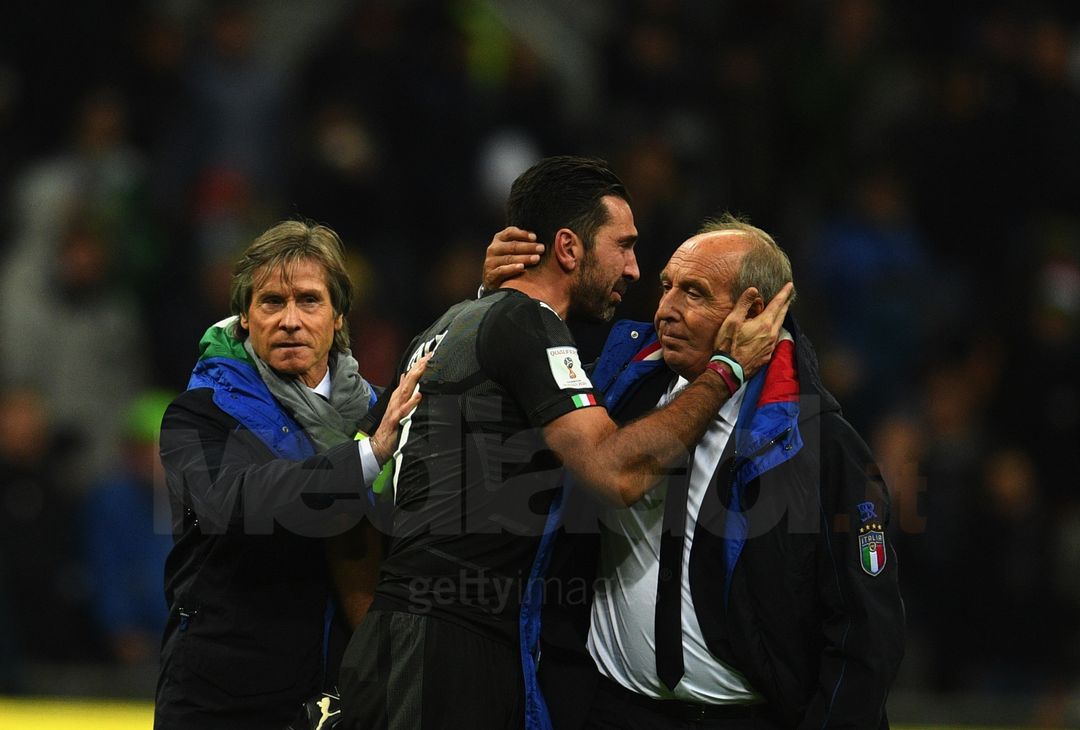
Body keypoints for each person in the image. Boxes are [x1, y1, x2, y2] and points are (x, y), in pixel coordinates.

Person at [337, 157, 793, 729]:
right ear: (569, 249)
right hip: (455, 649)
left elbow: (353, 498)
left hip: (395, 637)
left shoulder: (447, 324)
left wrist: (382, 623)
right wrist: (726, 369)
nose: (633, 269)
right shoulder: (528, 326)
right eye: (623, 246)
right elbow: (616, 474)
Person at [533, 215, 905, 729]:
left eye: (694, 293)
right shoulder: (611, 395)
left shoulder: (819, 444)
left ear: (754, 311)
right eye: (666, 287)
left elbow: (865, 634)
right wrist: (497, 294)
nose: (665, 310)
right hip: (607, 710)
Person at [154, 220, 426, 730]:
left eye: (309, 300)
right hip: (221, 701)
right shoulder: (199, 414)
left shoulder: (378, 412)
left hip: (340, 698)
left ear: (339, 315)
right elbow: (236, 503)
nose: (290, 320)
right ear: (245, 317)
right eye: (272, 302)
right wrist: (368, 458)